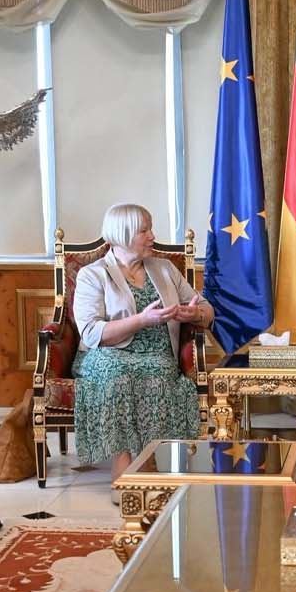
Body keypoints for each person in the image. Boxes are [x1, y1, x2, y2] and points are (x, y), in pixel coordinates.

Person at [73, 203, 211, 480]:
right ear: (123, 234)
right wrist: (142, 320)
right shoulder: (93, 274)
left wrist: (194, 313)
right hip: (108, 353)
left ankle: (149, 459)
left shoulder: (165, 268)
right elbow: (91, 333)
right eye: (144, 231)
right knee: (116, 375)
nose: (152, 236)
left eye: (150, 229)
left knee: (158, 374)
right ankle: (123, 464)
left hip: (158, 353)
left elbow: (206, 309)